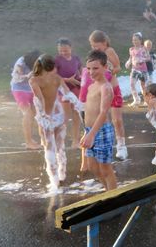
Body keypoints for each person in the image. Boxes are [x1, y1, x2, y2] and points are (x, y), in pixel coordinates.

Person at [30, 55, 83, 192]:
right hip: (57, 114)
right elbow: (68, 94)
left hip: (48, 117)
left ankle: (55, 181)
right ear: (49, 67)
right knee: (59, 146)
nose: (55, 69)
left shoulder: (35, 80)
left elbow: (40, 99)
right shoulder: (56, 78)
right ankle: (61, 174)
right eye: (54, 67)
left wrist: (43, 116)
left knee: (50, 147)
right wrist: (78, 105)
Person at [82, 30, 127, 159]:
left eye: (96, 46)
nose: (94, 48)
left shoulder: (109, 51)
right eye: (92, 46)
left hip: (113, 88)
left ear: (105, 43)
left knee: (117, 119)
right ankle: (95, 143)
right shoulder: (94, 55)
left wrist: (109, 72)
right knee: (97, 117)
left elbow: (118, 67)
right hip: (99, 90)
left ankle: (121, 146)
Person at [80, 50, 117, 191]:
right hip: (90, 130)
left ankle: (114, 197)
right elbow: (89, 111)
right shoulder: (91, 86)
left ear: (105, 67)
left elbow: (103, 113)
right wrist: (87, 132)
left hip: (101, 131)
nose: (91, 72)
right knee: (93, 167)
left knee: (106, 170)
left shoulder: (105, 87)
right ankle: (108, 191)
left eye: (95, 68)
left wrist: (91, 134)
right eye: (88, 68)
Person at [11, 50, 42, 149]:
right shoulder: (21, 62)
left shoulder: (39, 63)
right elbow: (16, 76)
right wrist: (27, 76)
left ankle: (34, 139)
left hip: (31, 89)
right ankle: (28, 142)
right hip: (19, 89)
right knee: (28, 113)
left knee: (34, 113)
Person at [54, 38, 82, 147]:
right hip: (63, 89)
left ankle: (75, 140)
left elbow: (81, 71)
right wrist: (67, 80)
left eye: (65, 50)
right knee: (65, 115)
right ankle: (58, 140)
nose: (63, 53)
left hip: (75, 86)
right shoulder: (57, 60)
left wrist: (81, 79)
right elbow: (54, 76)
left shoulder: (76, 58)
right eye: (60, 50)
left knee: (76, 113)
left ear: (71, 48)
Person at [125, 32, 151, 107]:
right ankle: (136, 99)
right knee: (132, 84)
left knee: (143, 86)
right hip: (134, 70)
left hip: (143, 70)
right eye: (133, 40)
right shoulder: (131, 49)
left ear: (140, 40)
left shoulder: (144, 48)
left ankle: (146, 100)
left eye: (136, 40)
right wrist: (128, 62)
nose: (134, 41)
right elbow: (131, 57)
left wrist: (141, 60)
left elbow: (148, 58)